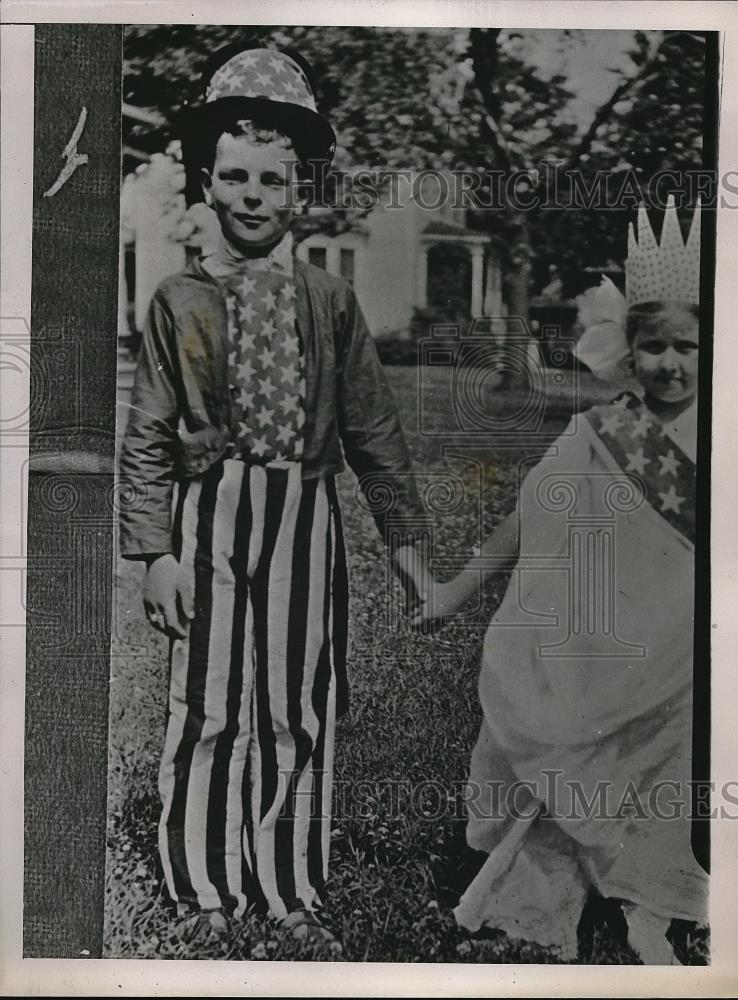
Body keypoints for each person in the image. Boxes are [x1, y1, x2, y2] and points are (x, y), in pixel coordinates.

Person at [119, 44, 427, 946]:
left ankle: (288, 877)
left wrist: (406, 550)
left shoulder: (330, 300)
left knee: (296, 699)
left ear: (300, 192)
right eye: (237, 177)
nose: (255, 196)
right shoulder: (178, 299)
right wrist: (156, 553)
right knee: (209, 697)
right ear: (206, 185)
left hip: (302, 516)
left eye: (273, 181)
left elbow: (374, 431)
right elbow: (146, 434)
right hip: (210, 516)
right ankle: (204, 876)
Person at [412, 197, 708, 963]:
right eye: (653, 347)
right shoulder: (599, 432)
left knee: (670, 771)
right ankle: (556, 888)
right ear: (625, 350)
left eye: (688, 346)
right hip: (610, 640)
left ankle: (654, 900)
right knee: (581, 753)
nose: (669, 364)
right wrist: (452, 590)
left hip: (688, 653)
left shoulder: (735, 433)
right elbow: (526, 521)